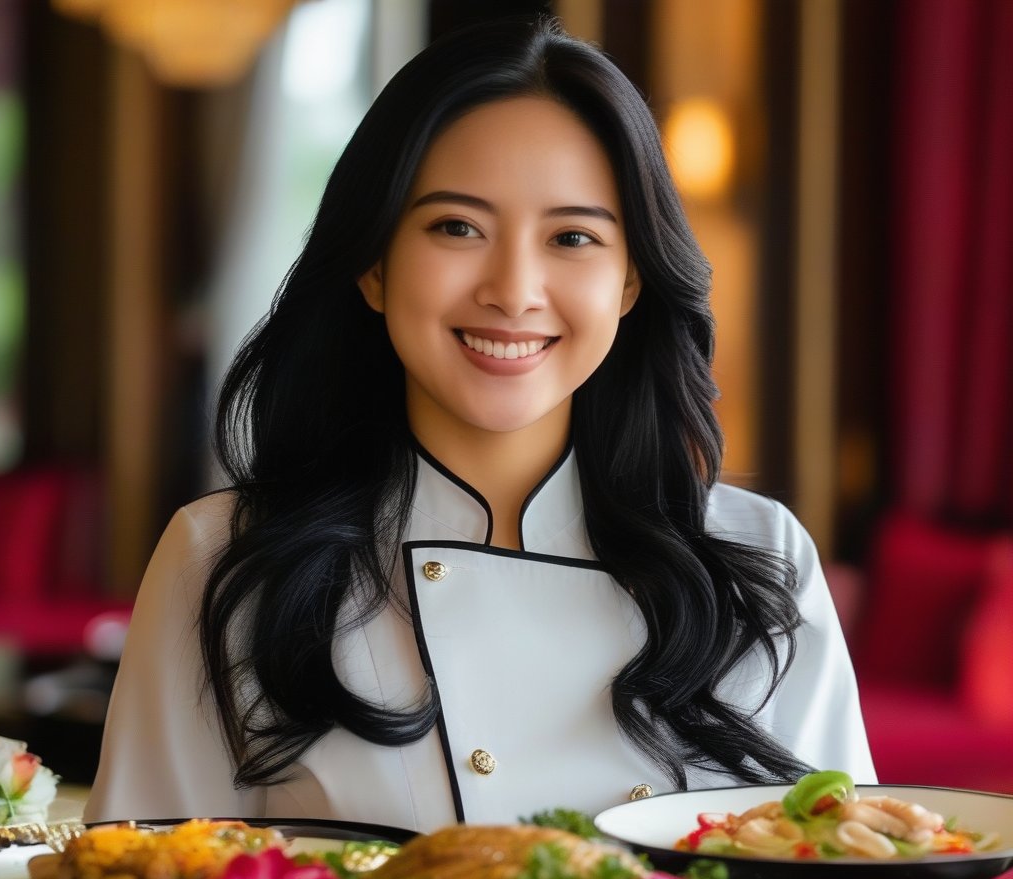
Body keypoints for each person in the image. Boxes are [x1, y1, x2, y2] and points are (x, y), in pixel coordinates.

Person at [85, 17, 875, 831]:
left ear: (632, 281)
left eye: (572, 237)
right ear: (373, 264)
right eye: (456, 227)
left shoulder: (760, 562)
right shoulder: (222, 562)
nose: (514, 289)